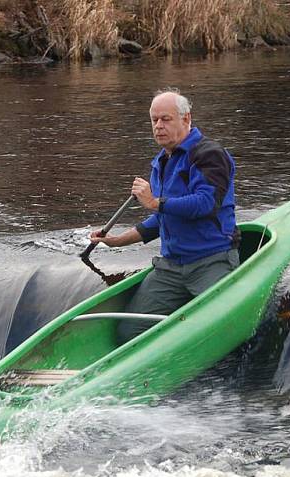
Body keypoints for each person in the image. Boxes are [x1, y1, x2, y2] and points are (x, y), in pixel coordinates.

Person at [90, 88, 240, 342]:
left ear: (186, 119)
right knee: (128, 333)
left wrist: (154, 202)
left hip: (211, 261)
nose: (158, 126)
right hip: (170, 268)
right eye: (154, 120)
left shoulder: (210, 155)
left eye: (166, 119)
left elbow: (206, 204)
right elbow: (162, 220)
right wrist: (116, 241)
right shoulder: (160, 162)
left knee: (218, 329)